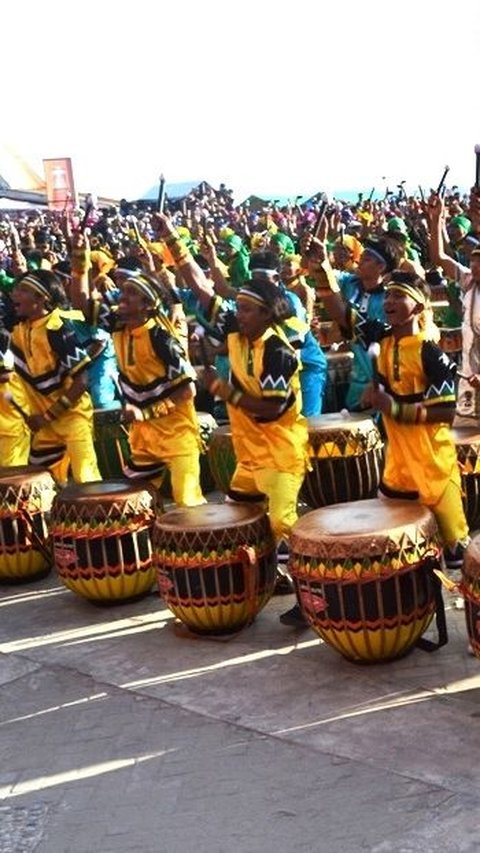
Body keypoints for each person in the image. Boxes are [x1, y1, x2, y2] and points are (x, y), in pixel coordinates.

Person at [154, 213, 310, 619]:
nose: (236, 313)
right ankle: (271, 577)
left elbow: (272, 409)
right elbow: (200, 284)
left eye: (244, 309)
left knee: (284, 523)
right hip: (250, 455)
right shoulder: (239, 334)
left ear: (264, 313)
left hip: (279, 453)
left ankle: (310, 596)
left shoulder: (279, 350)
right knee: (242, 514)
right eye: (236, 308)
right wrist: (172, 238)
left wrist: (223, 390)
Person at [306, 250, 469, 569]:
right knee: (395, 546)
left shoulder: (428, 352)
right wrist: (321, 270)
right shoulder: (382, 336)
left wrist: (393, 407)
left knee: (455, 557)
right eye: (389, 294)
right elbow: (342, 313)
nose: (390, 301)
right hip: (397, 467)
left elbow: (445, 412)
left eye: (398, 296)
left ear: (419, 307)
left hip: (432, 468)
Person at [10, 269, 101, 485]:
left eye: (23, 290)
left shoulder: (57, 327)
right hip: (45, 427)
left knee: (87, 483)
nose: (15, 295)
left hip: (72, 419)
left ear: (42, 298)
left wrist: (48, 416)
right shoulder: (19, 330)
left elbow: (82, 380)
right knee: (38, 487)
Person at [306, 231, 402, 411]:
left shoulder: (388, 301)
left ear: (380, 267)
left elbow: (341, 314)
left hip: (385, 381)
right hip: (358, 381)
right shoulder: (350, 281)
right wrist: (318, 258)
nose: (359, 262)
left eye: (366, 259)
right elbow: (321, 274)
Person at [428, 194, 480, 420]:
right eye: (472, 262)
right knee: (467, 430)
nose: (474, 267)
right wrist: (435, 219)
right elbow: (439, 257)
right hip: (469, 369)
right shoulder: (468, 280)